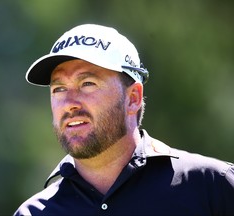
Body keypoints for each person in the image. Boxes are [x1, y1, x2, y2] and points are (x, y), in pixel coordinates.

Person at [14, 24, 234, 215]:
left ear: (133, 98)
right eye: (59, 88)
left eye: (87, 84)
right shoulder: (33, 213)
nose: (69, 103)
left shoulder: (211, 187)